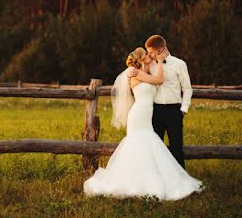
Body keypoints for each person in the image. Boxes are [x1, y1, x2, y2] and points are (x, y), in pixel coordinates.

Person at [83, 47, 203, 200]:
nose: (149, 55)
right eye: (146, 54)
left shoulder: (146, 72)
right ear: (140, 59)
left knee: (148, 145)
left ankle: (149, 178)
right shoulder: (136, 73)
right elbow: (159, 80)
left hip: (147, 113)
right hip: (139, 114)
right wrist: (159, 61)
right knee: (140, 144)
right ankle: (138, 182)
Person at [127, 34, 191, 168]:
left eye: (150, 52)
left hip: (174, 110)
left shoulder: (179, 64)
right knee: (156, 147)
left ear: (160, 50)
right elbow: (138, 73)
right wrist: (130, 71)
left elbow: (187, 88)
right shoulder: (150, 65)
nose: (149, 56)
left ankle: (179, 178)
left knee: (176, 146)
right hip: (155, 111)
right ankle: (160, 177)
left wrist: (183, 109)